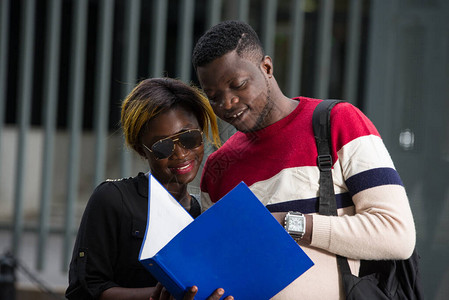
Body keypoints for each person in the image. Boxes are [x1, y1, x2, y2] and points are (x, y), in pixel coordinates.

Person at [192, 20, 416, 299]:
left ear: (267, 68)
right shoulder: (217, 169)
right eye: (213, 97)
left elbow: (396, 234)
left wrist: (291, 223)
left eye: (237, 85)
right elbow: (221, 266)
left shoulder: (337, 122)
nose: (226, 103)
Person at [65, 77, 231, 300]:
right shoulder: (113, 199)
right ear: (141, 150)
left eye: (189, 138)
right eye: (163, 146)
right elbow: (84, 288)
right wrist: (163, 295)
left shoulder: (204, 211)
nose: (181, 154)